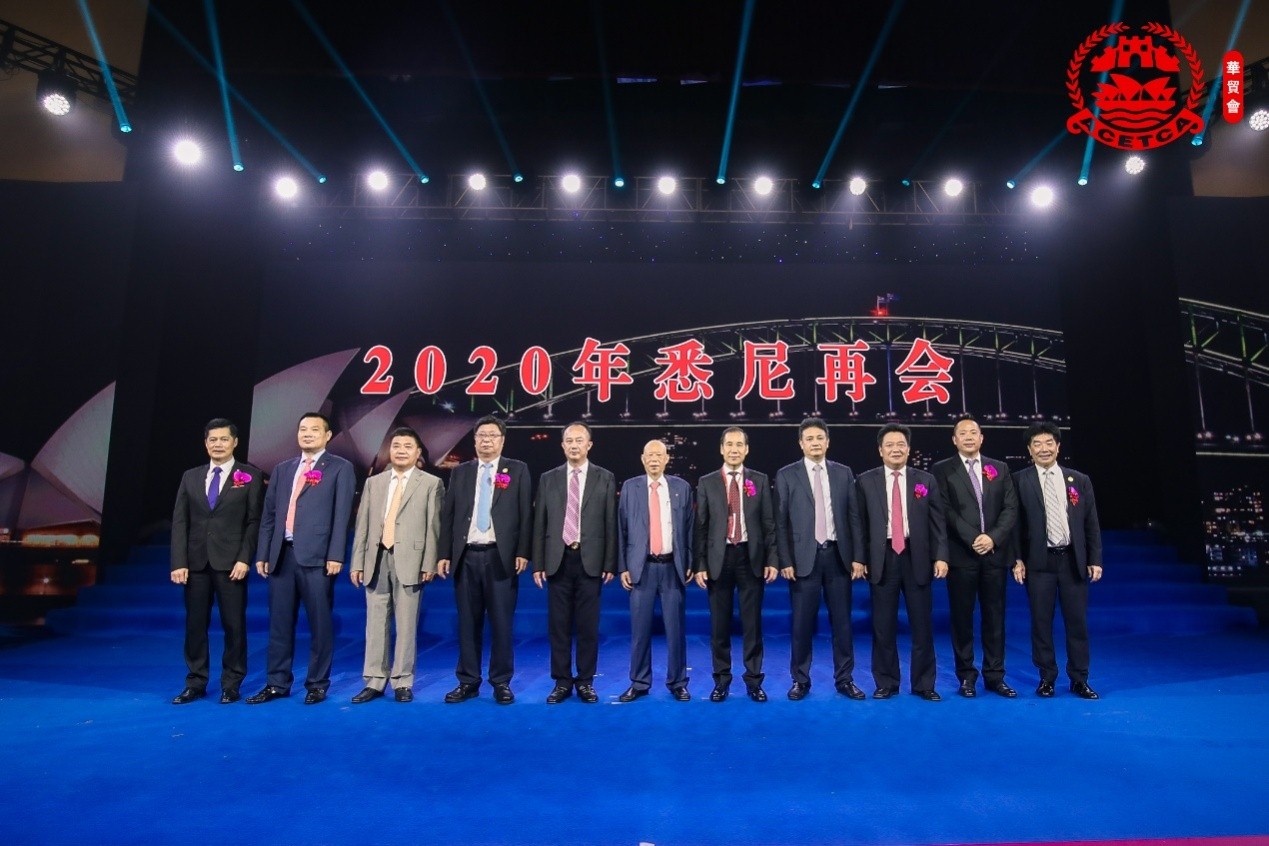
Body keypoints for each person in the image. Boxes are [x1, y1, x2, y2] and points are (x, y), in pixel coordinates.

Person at [248, 412, 356, 705]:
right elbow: (269, 514)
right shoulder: (283, 469)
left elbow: (342, 515)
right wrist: (264, 552)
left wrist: (336, 554)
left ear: (327, 435)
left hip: (317, 557)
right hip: (282, 555)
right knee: (279, 624)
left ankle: (317, 684)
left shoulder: (340, 467)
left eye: (314, 430)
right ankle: (276, 683)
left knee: (320, 624)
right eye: (303, 429)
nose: (307, 434)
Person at [437, 415, 531, 704]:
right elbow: (449, 514)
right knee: (468, 623)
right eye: (481, 436)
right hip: (466, 556)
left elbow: (526, 513)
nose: (486, 440)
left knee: (501, 623)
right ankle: (468, 681)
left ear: (502, 440)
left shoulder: (517, 469)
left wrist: (522, 551)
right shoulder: (461, 472)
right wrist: (444, 554)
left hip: (500, 557)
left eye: (492, 436)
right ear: (475, 440)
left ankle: (501, 682)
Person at [169, 418, 264, 705]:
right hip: (196, 563)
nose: (218, 444)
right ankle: (195, 682)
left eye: (224, 439)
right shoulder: (190, 477)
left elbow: (254, 521)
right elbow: (180, 522)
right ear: (205, 443)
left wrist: (244, 559)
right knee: (195, 626)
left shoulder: (250, 476)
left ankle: (231, 683)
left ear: (235, 442)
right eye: (213, 440)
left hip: (231, 564)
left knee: (234, 625)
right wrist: (178, 561)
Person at [349, 427, 444, 704]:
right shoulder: (374, 483)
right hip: (376, 558)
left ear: (418, 453)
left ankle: (402, 681)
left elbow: (434, 527)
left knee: (406, 625)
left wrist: (429, 562)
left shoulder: (431, 483)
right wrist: (357, 562)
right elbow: (362, 525)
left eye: (407, 446)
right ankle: (374, 680)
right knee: (375, 623)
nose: (401, 451)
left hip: (411, 560)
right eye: (396, 446)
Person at [774, 417, 866, 701]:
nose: (815, 443)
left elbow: (854, 518)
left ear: (828, 442)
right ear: (801, 444)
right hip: (803, 560)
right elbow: (780, 523)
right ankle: (800, 680)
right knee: (801, 625)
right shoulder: (787, 474)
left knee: (842, 624)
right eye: (809, 439)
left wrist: (858, 557)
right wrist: (785, 560)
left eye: (819, 438)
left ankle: (845, 680)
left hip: (838, 556)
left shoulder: (843, 473)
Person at [856, 424, 948, 701]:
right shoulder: (865, 481)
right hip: (882, 558)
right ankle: (886, 682)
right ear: (880, 450)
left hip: (916, 556)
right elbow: (859, 525)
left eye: (900, 444)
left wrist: (941, 555)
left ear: (908, 449)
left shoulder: (925, 480)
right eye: (890, 445)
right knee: (883, 626)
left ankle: (924, 684)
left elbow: (938, 523)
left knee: (922, 626)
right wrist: (860, 558)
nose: (895, 449)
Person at [1011, 422, 1104, 700]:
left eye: (1049, 443)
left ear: (1058, 446)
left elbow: (1091, 523)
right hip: (1039, 563)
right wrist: (1017, 559)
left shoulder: (1079, 480)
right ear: (1029, 450)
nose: (1044, 449)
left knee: (1077, 623)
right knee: (1041, 623)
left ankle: (1079, 679)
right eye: (1037, 444)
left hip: (1072, 561)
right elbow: (1014, 526)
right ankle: (1047, 678)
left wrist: (1095, 559)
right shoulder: (1019, 480)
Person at [932, 414, 1020, 698]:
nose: (968, 437)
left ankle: (995, 676)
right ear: (954, 439)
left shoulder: (999, 468)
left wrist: (992, 537)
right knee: (962, 620)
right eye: (963, 433)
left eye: (973, 432)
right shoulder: (942, 470)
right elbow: (945, 511)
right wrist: (973, 538)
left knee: (994, 617)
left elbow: (1010, 508)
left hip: (994, 554)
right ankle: (966, 676)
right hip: (962, 556)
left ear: (981, 438)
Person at [531, 422, 617, 704]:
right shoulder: (549, 478)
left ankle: (586, 681)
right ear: (562, 445)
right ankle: (562, 681)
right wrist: (538, 563)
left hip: (590, 560)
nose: (574, 445)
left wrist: (610, 562)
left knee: (588, 626)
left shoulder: (605, 477)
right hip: (558, 559)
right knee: (558, 626)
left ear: (589, 445)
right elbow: (540, 523)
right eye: (569, 440)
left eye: (579, 440)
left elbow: (610, 522)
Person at [692, 427, 777, 702]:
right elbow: (701, 527)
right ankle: (721, 681)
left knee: (752, 625)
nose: (734, 449)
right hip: (719, 559)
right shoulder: (707, 482)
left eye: (739, 444)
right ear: (721, 448)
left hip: (751, 558)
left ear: (747, 449)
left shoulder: (759, 480)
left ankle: (754, 681)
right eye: (729, 444)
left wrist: (772, 559)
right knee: (719, 626)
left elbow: (768, 523)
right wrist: (700, 564)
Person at [616, 439, 694, 702]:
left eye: (659, 455)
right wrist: (623, 566)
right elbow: (621, 529)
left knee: (676, 631)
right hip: (642, 568)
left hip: (673, 567)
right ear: (642, 459)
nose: (654, 459)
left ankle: (678, 682)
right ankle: (639, 682)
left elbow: (690, 529)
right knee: (639, 631)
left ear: (666, 459)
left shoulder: (681, 488)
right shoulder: (630, 487)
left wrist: (690, 561)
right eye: (649, 455)